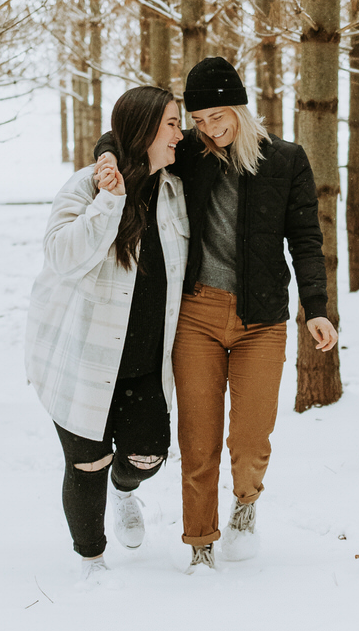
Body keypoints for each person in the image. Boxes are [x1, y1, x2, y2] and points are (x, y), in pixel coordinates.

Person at [95, 56, 337, 572]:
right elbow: (128, 135)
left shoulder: (287, 160)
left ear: (239, 107)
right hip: (198, 315)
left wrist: (315, 308)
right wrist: (105, 157)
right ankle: (200, 543)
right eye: (197, 120)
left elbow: (307, 241)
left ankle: (245, 507)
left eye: (216, 116)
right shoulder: (191, 156)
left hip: (263, 321)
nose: (206, 129)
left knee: (250, 439)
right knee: (197, 438)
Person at [25, 86, 189, 583]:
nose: (181, 134)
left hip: (144, 364)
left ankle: (126, 490)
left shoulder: (177, 190)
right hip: (81, 359)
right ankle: (91, 562)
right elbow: (63, 256)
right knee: (87, 464)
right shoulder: (84, 186)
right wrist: (108, 202)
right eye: (172, 125)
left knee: (147, 457)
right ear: (144, 132)